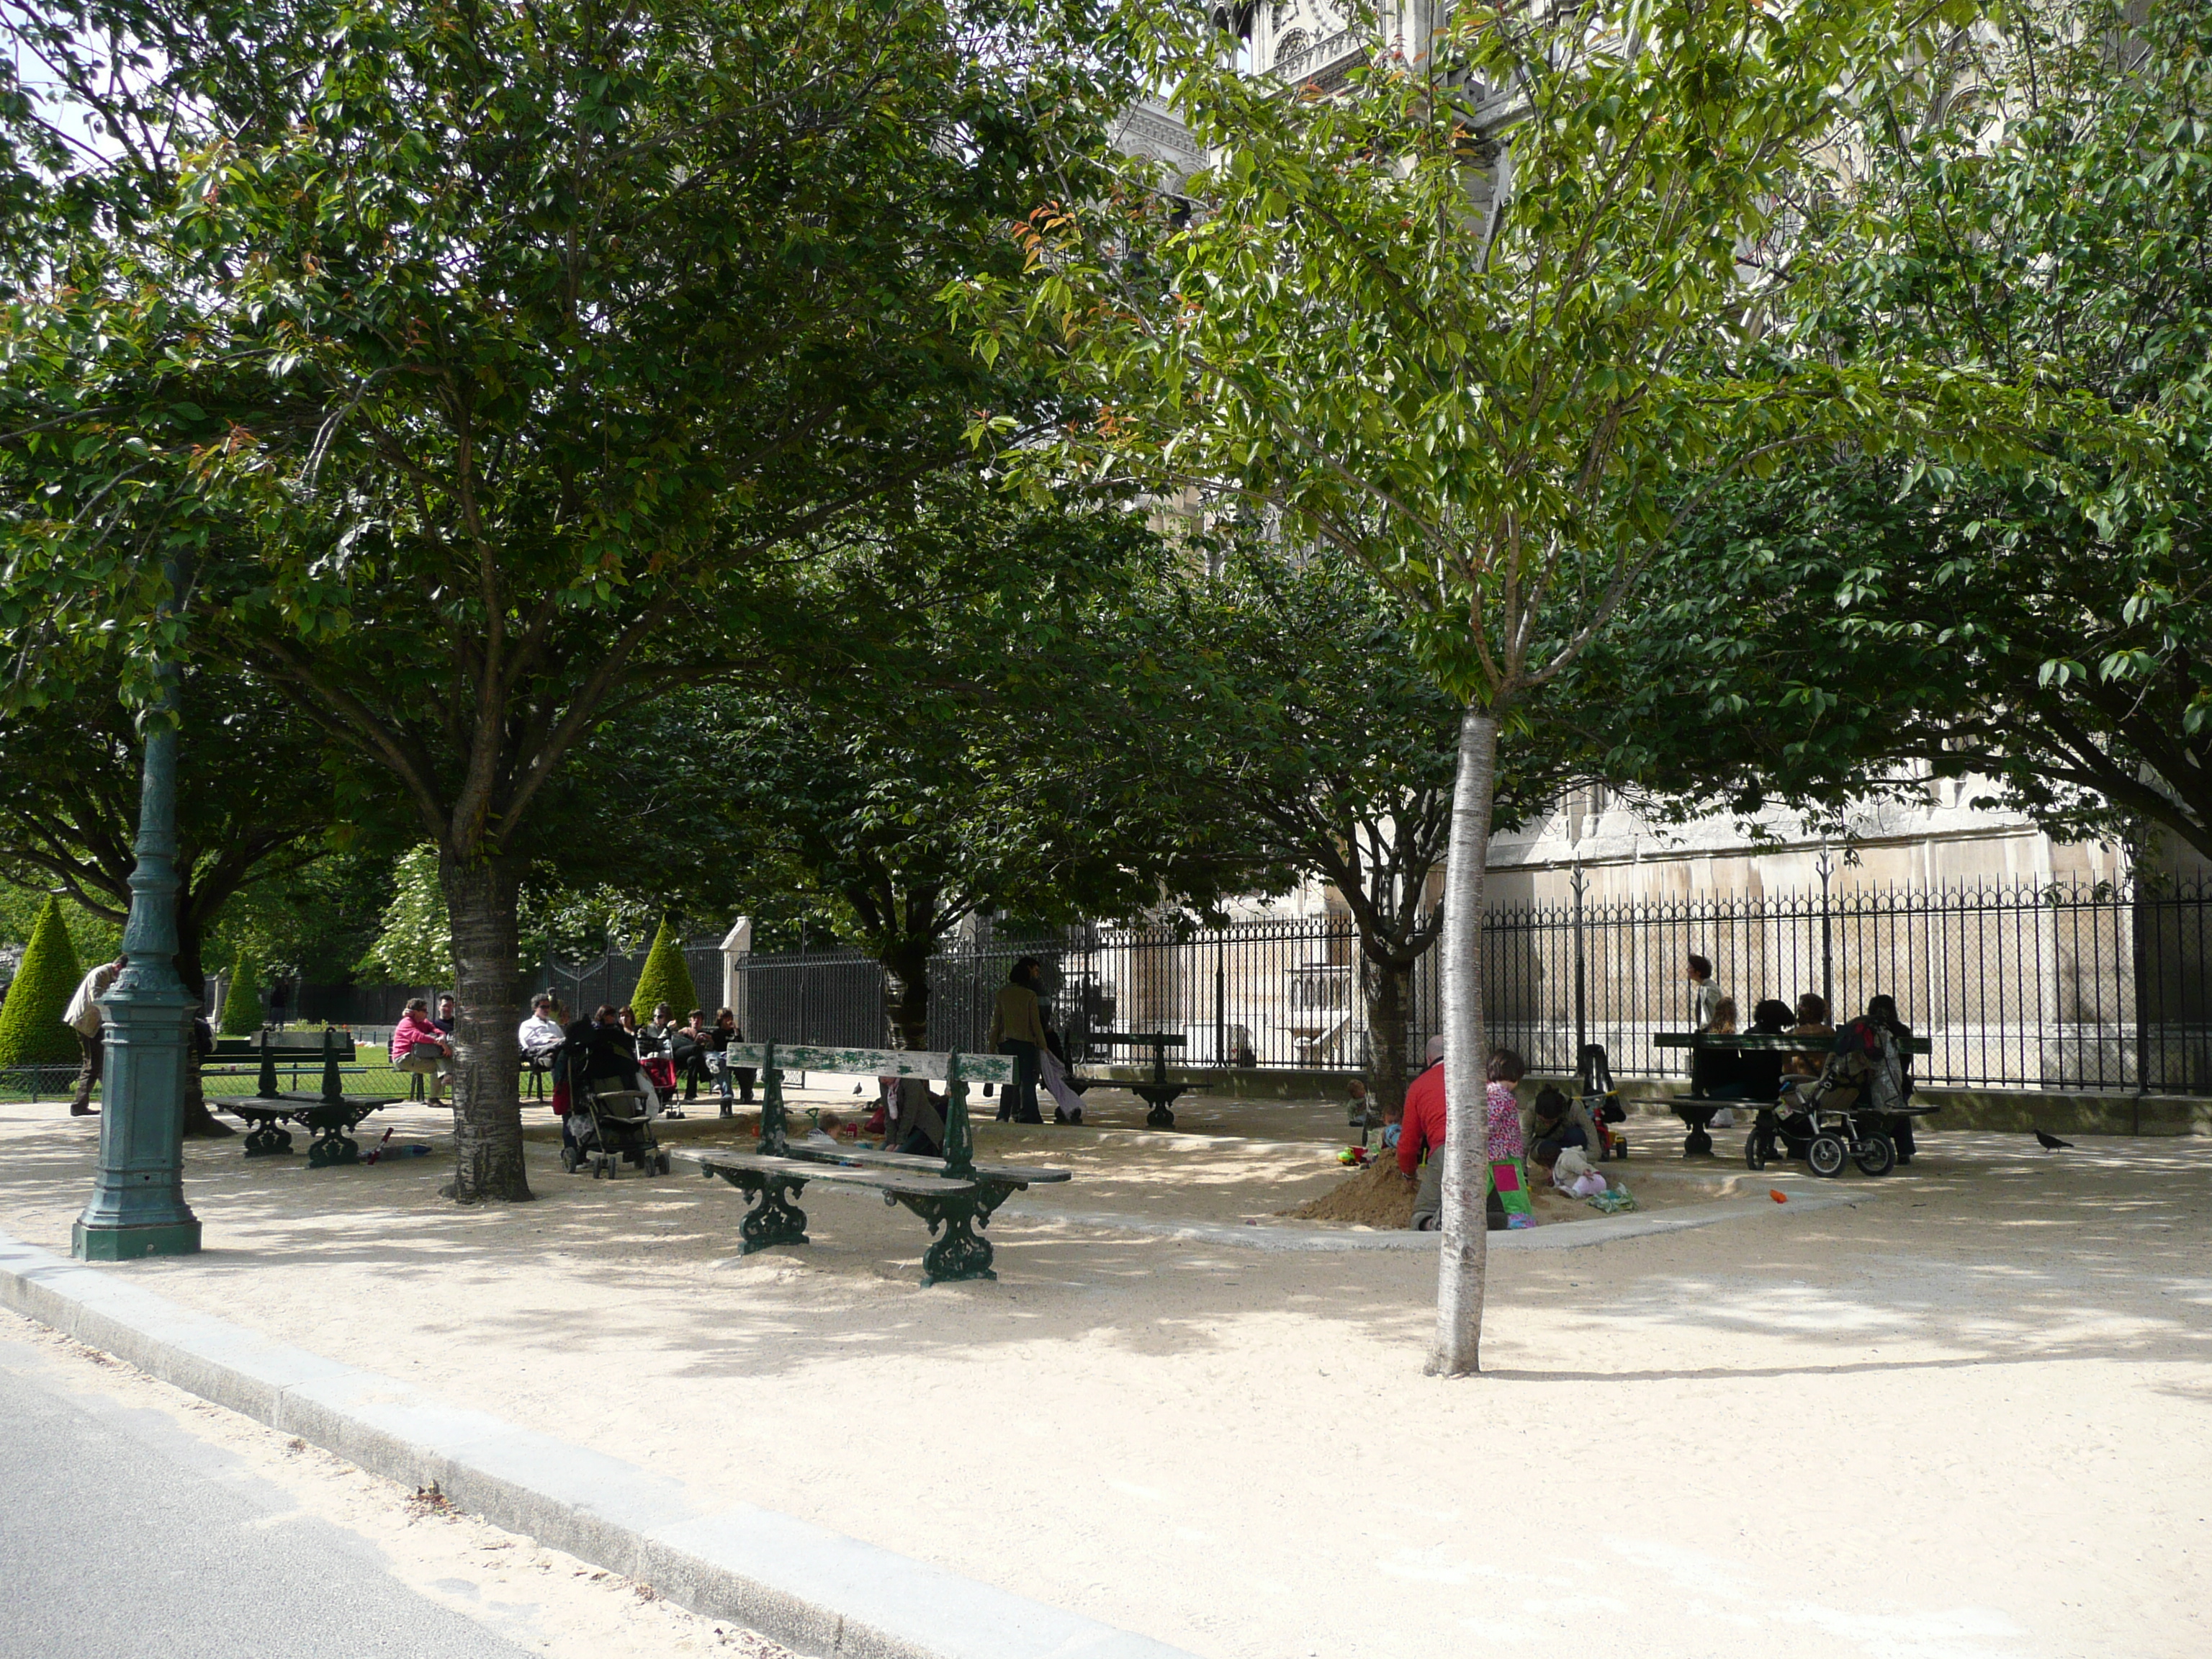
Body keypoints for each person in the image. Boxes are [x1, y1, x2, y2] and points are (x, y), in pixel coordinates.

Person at [1846, 993, 1920, 1164]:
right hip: (1897, 1085)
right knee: (1898, 1104)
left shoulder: (1863, 1029)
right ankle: (1904, 1150)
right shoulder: (1902, 1031)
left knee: (1855, 1103)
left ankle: (1858, 1146)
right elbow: (1905, 1064)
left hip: (1864, 1085)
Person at [987, 956, 1049, 1124]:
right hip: (1027, 1043)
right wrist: (1044, 1046)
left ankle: (1002, 1115)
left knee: (1008, 1081)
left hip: (1006, 1043)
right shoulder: (1030, 995)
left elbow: (996, 1024)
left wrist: (991, 1046)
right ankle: (1031, 1115)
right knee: (1028, 1082)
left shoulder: (1002, 994)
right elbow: (1035, 1024)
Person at [62, 956, 125, 1117]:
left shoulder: (108, 974)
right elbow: (96, 999)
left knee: (102, 1062)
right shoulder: (101, 974)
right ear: (118, 967)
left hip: (94, 1023)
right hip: (86, 1023)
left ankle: (115, 1100)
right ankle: (79, 1105)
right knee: (93, 1064)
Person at [1524, 1083, 1602, 1173]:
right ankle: (1553, 1169)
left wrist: (1574, 1160)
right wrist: (1522, 1172)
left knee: (1577, 1135)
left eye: (1551, 1122)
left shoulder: (1574, 1108)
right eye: (1543, 1121)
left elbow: (1595, 1149)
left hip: (1570, 1146)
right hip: (1545, 1144)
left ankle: (1566, 1169)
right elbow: (1523, 1142)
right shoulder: (1531, 1109)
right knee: (1548, 1149)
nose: (1546, 1125)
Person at [390, 997, 454, 1104]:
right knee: (440, 1068)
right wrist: (440, 1043)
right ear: (415, 1012)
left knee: (441, 1065)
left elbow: (436, 1029)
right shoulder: (406, 1022)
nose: (427, 1013)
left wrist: (442, 1036)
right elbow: (417, 1036)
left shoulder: (424, 1022)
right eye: (424, 1011)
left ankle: (437, 1094)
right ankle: (435, 1097)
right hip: (404, 1058)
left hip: (419, 1054)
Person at [518, 995, 565, 1064]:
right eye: (543, 1007)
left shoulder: (553, 1024)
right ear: (535, 1008)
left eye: (548, 1007)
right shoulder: (527, 1024)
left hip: (557, 1049)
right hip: (539, 1051)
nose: (547, 1010)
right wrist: (550, 1040)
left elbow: (562, 1040)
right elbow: (529, 1042)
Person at [1687, 954, 1726, 1032]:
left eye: (1690, 967)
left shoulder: (1709, 988)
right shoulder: (1705, 986)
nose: (1687, 969)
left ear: (1698, 972)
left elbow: (1715, 1012)